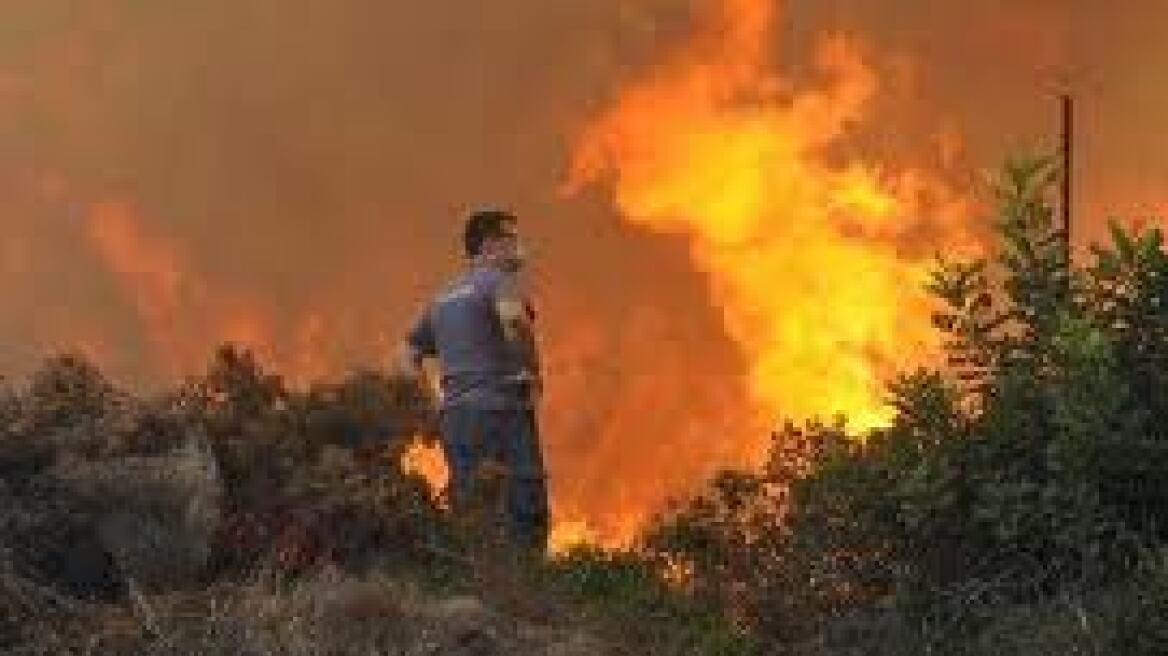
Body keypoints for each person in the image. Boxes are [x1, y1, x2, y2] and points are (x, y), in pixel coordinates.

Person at [398, 209, 549, 552]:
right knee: (524, 508)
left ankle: (478, 588)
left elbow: (407, 353)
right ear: (491, 245)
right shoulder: (497, 282)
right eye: (512, 239)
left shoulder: (441, 299)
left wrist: (431, 406)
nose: (520, 247)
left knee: (472, 510)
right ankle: (529, 591)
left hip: (457, 419)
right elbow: (515, 322)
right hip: (502, 411)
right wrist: (531, 372)